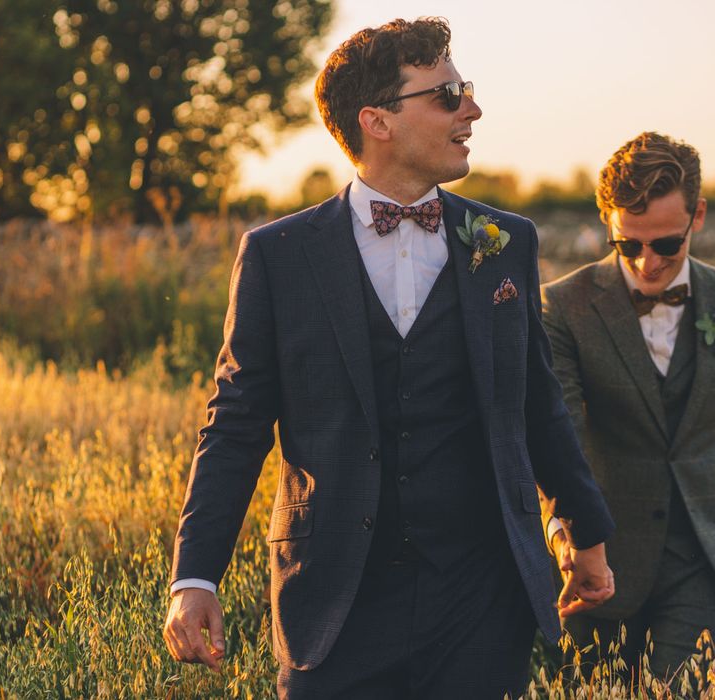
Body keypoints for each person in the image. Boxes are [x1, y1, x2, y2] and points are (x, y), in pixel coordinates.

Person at [163, 17, 615, 699]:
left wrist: (584, 532)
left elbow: (534, 400)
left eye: (467, 88)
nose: (473, 108)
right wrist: (195, 575)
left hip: (482, 593)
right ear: (377, 121)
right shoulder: (279, 256)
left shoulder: (504, 240)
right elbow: (236, 424)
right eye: (447, 94)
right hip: (335, 597)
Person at [541, 131, 715, 680]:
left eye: (666, 244)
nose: (647, 263)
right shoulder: (562, 305)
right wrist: (569, 539)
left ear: (698, 216)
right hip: (598, 558)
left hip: (702, 558)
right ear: (607, 221)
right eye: (628, 244)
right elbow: (558, 431)